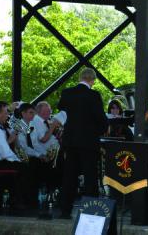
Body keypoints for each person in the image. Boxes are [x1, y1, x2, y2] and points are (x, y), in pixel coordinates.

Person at [57, 67, 108, 219]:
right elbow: (101, 119)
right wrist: (99, 130)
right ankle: (91, 212)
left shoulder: (67, 93)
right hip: (88, 142)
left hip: (71, 142)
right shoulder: (94, 95)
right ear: (92, 80)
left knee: (69, 177)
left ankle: (65, 211)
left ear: (80, 78)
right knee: (90, 177)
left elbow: (62, 110)